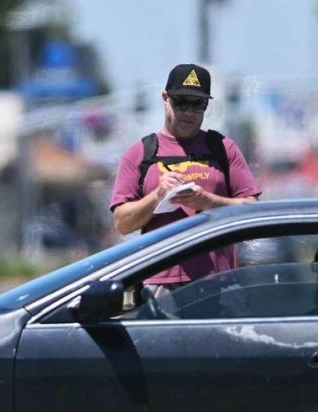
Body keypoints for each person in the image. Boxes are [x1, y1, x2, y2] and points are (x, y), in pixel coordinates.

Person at [109, 63, 261, 299]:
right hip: (159, 283)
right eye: (181, 103)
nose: (189, 113)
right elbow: (122, 223)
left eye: (198, 104)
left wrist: (208, 201)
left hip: (218, 282)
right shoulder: (140, 153)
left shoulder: (223, 149)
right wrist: (157, 195)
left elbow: (253, 210)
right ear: (165, 99)